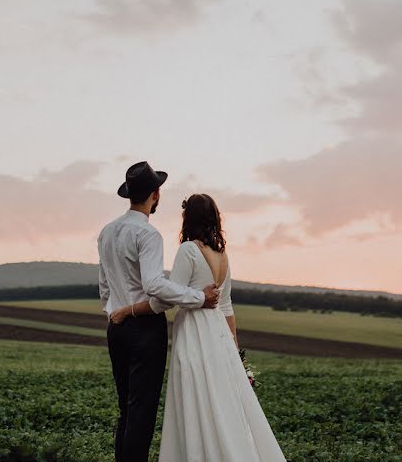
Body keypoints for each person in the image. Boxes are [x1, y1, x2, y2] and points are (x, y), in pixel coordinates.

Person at [109, 193, 287, 462]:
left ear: (187, 218)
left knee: (193, 403)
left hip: (193, 334)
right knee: (221, 404)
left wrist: (127, 310)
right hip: (219, 339)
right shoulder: (223, 256)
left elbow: (163, 301)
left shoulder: (189, 250)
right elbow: (227, 309)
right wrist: (236, 354)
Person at [98, 161, 221, 462]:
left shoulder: (106, 232)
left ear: (129, 194)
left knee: (126, 410)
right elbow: (154, 285)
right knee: (142, 413)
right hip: (145, 330)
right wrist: (197, 297)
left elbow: (104, 286)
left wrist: (114, 312)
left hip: (116, 327)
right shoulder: (148, 235)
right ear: (155, 195)